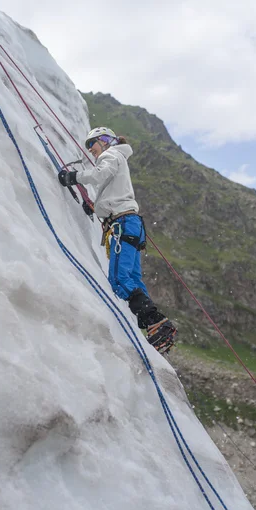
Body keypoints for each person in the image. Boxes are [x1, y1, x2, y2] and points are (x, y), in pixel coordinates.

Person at [58, 127, 177, 354]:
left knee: (119, 279)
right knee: (131, 277)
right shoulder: (119, 157)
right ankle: (156, 326)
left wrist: (71, 177)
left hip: (122, 224)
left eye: (92, 144)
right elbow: (112, 189)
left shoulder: (110, 155)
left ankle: (157, 322)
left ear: (104, 141)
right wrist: (97, 206)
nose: (91, 150)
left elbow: (99, 174)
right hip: (129, 223)